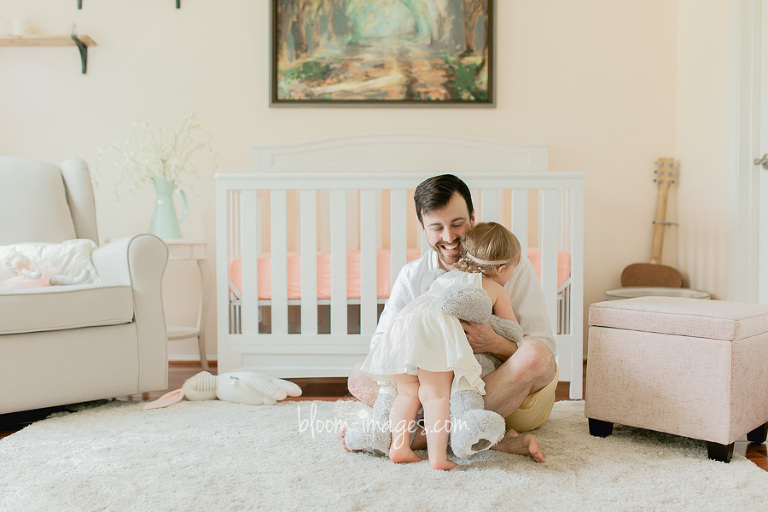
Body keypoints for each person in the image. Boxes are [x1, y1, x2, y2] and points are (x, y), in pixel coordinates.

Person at [347, 174, 557, 463]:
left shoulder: (508, 264)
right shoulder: (413, 275)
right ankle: (481, 437)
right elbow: (383, 345)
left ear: (472, 217)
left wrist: (494, 343)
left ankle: (401, 436)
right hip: (430, 390)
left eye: (457, 224)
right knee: (360, 374)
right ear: (423, 229)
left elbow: (542, 346)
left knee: (537, 356)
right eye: (437, 227)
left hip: (505, 392)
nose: (449, 237)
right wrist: (425, 358)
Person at [360, 222, 521, 470]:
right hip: (432, 332)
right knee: (435, 396)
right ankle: (438, 458)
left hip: (404, 327)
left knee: (406, 393)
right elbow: (513, 331)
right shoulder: (494, 288)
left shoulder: (444, 277)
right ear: (501, 269)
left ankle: (399, 446)